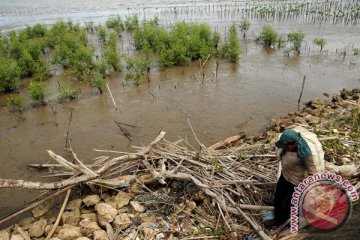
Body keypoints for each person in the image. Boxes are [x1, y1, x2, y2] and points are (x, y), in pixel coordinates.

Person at [267, 127, 324, 228]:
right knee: (277, 199)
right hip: (285, 176)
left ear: (293, 144)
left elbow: (312, 172)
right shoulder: (286, 148)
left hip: (295, 182)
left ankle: (282, 221)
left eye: (286, 145)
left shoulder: (305, 154)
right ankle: (277, 218)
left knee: (286, 203)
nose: (284, 147)